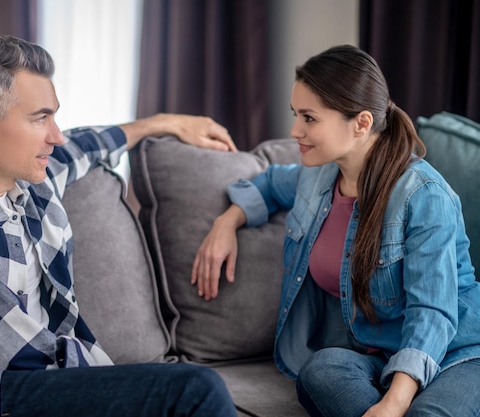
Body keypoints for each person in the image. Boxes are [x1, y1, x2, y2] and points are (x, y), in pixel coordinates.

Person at [0, 35, 239, 417]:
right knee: (196, 388)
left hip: (41, 384)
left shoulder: (34, 184)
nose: (57, 135)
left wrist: (166, 123)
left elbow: (88, 143)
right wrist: (116, 381)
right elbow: (15, 348)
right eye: (40, 118)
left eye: (54, 115)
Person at [191, 44, 480, 417]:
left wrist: (393, 403)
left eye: (309, 118)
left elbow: (432, 312)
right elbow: (269, 184)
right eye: (295, 115)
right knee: (320, 371)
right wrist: (226, 221)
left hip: (455, 354)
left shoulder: (424, 195)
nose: (295, 130)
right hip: (379, 359)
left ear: (361, 123)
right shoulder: (318, 176)